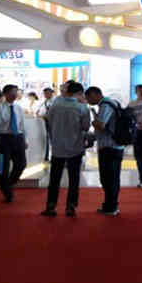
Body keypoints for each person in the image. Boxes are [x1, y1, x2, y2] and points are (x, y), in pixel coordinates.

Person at [41, 81, 90, 217]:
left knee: (54, 179)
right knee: (74, 178)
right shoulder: (82, 108)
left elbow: (49, 122)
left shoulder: (55, 105)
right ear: (79, 93)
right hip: (75, 148)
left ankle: (51, 206)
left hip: (57, 148)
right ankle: (71, 206)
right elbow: (86, 127)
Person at [85, 86, 124, 216]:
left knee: (108, 178)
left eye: (88, 97)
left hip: (109, 147)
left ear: (95, 94)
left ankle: (111, 207)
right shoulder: (113, 103)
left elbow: (101, 125)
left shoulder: (106, 105)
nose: (88, 100)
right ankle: (110, 205)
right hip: (115, 146)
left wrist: (93, 121)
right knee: (112, 178)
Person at [0, 84, 28, 203]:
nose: (15, 94)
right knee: (4, 168)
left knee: (21, 164)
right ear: (5, 94)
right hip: (4, 139)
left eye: (16, 92)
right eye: (12, 92)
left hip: (18, 138)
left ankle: (8, 184)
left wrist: (25, 140)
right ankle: (7, 193)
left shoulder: (18, 108)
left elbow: (22, 125)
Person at [37, 87, 55, 162]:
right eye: (44, 93)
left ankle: (54, 157)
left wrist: (47, 116)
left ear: (51, 93)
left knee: (53, 140)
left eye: (47, 93)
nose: (46, 95)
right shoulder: (44, 101)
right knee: (47, 139)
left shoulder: (55, 101)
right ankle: (47, 156)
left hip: (53, 123)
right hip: (45, 122)